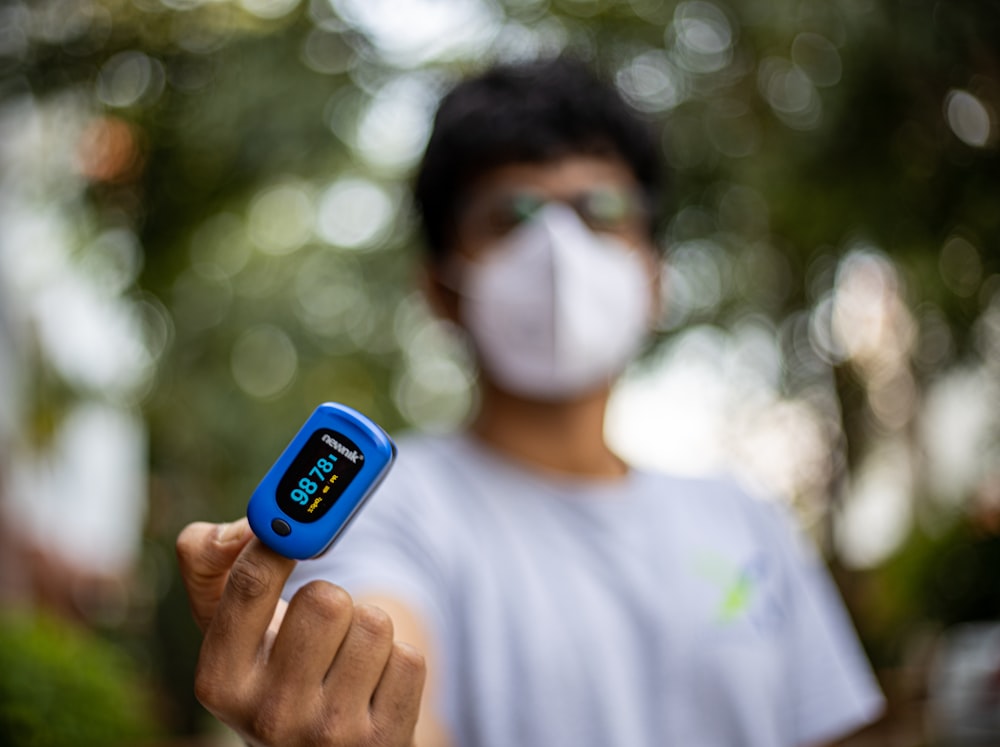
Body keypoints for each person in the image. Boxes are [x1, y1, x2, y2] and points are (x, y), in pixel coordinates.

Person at [176, 57, 885, 747]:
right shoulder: (380, 507)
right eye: (511, 215)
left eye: (600, 209)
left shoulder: (746, 519)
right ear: (441, 287)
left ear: (654, 275)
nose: (557, 248)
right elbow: (388, 696)